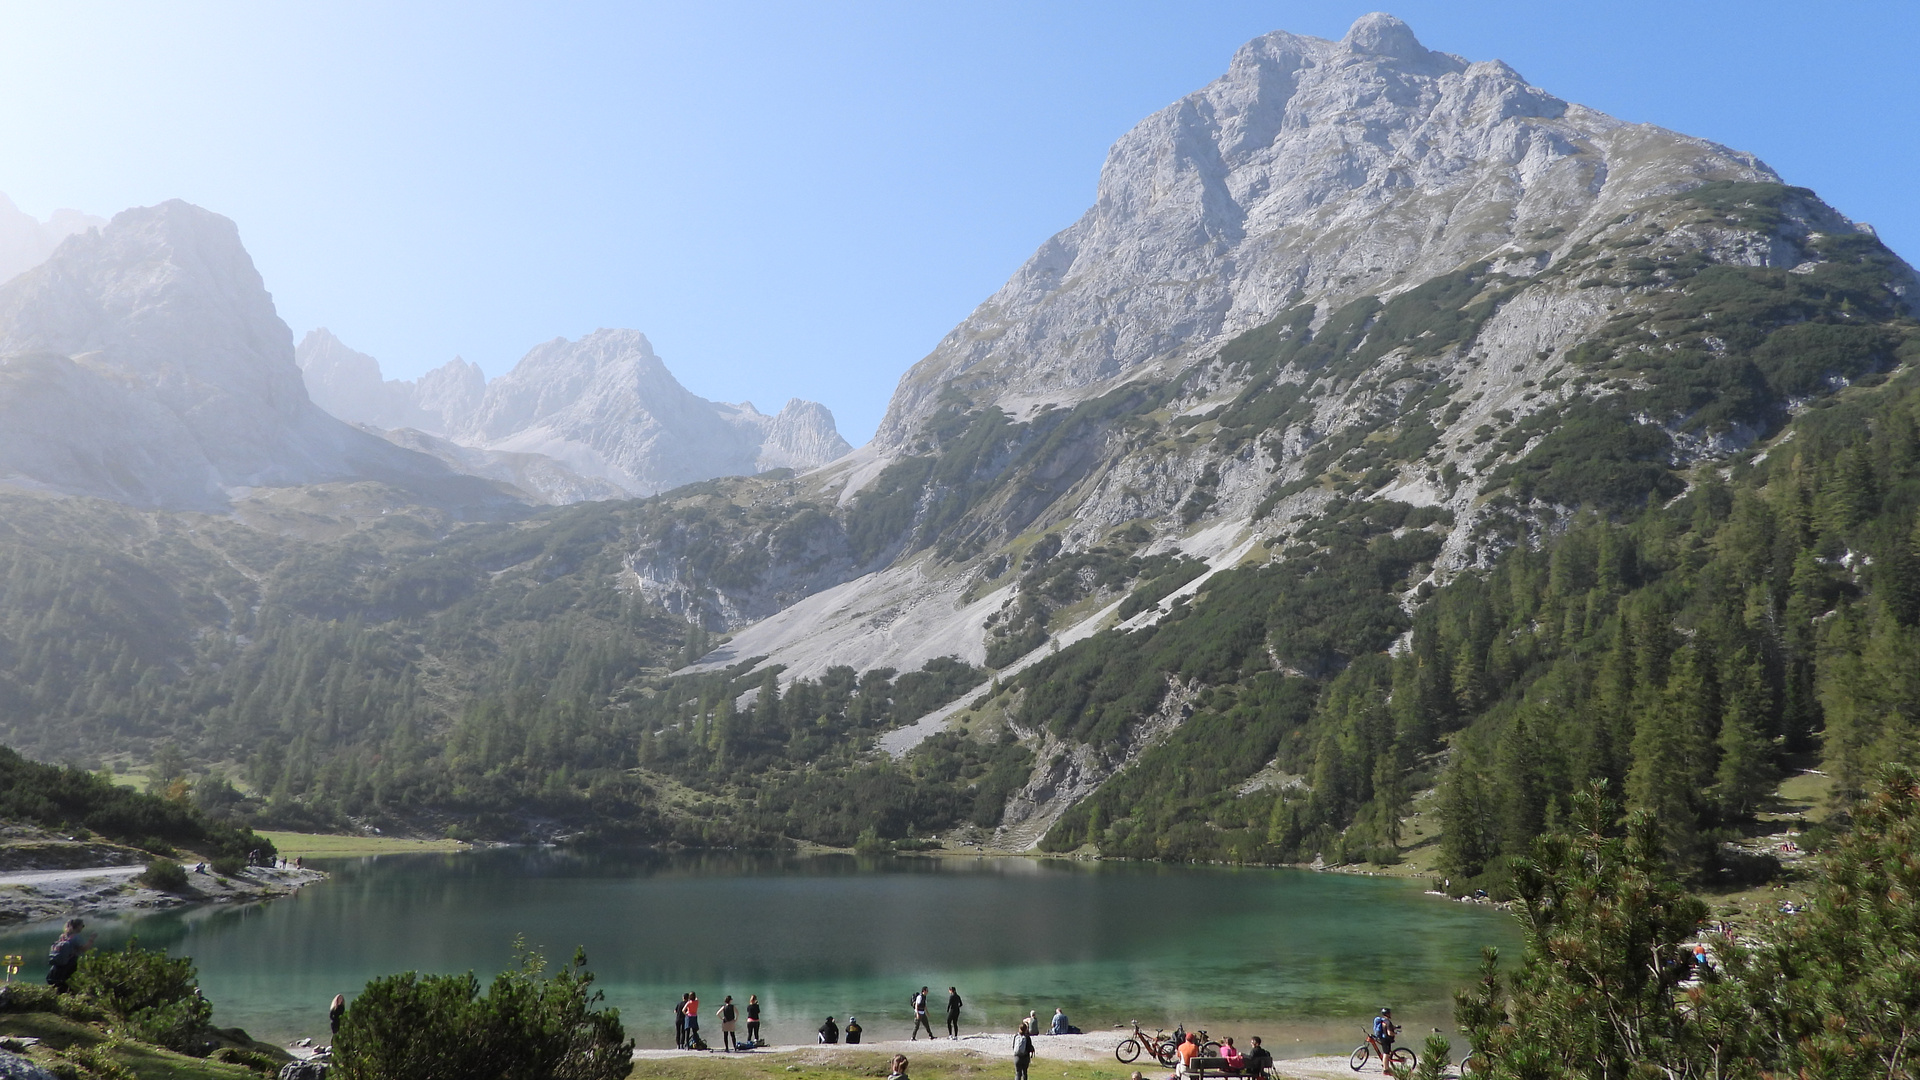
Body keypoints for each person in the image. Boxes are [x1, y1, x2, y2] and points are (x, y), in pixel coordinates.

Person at [45, 919, 90, 993]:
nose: (82, 927)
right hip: (70, 962)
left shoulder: (63, 936)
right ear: (78, 926)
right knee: (70, 982)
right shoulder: (76, 937)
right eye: (82, 926)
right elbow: (83, 949)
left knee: (58, 982)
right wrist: (91, 940)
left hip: (58, 963)